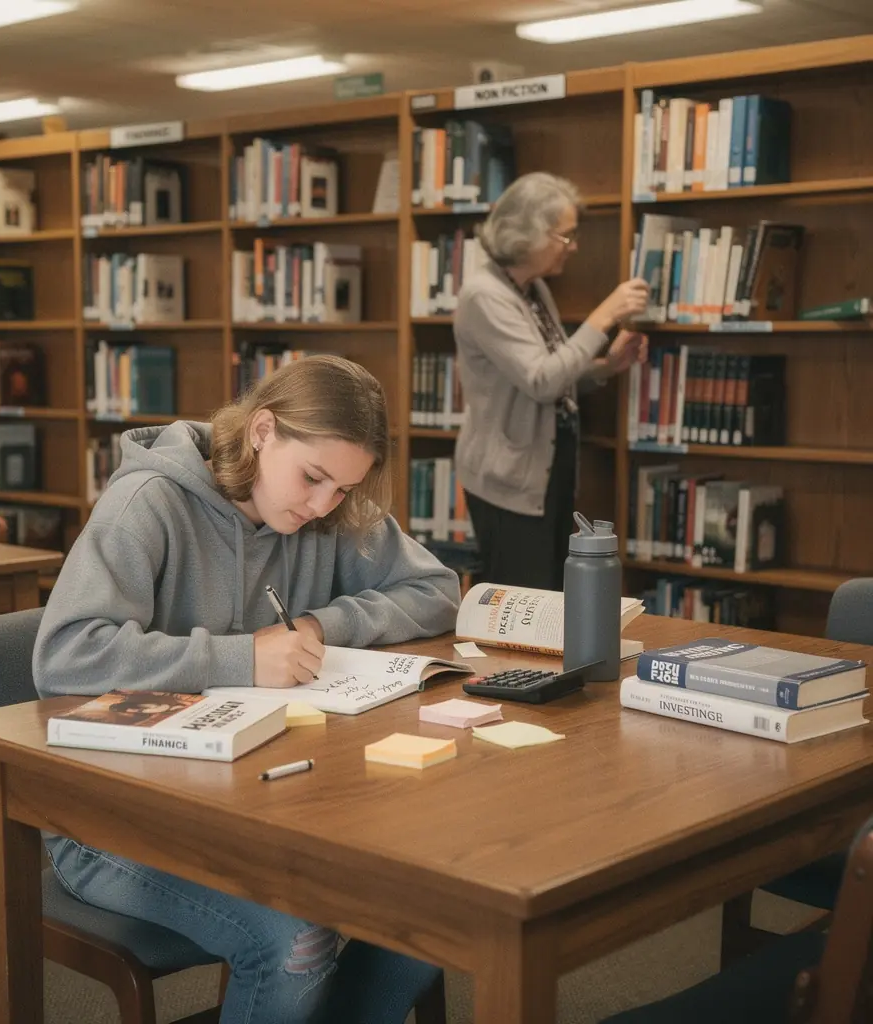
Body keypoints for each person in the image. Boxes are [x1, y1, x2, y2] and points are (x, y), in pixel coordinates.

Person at [32, 354, 460, 1024]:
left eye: (343, 491)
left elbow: (435, 590)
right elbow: (65, 655)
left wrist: (327, 621)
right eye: (313, 478)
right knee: (297, 941)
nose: (323, 505)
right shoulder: (150, 501)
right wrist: (243, 660)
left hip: (260, 799)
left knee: (439, 906)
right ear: (263, 431)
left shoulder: (322, 514)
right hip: (110, 820)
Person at [453, 171, 650, 591]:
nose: (573, 247)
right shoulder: (484, 295)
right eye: (566, 236)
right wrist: (603, 316)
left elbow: (554, 373)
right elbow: (541, 381)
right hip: (509, 479)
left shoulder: (532, 287)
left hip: (544, 470)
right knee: (524, 600)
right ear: (528, 235)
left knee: (552, 596)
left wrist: (605, 368)